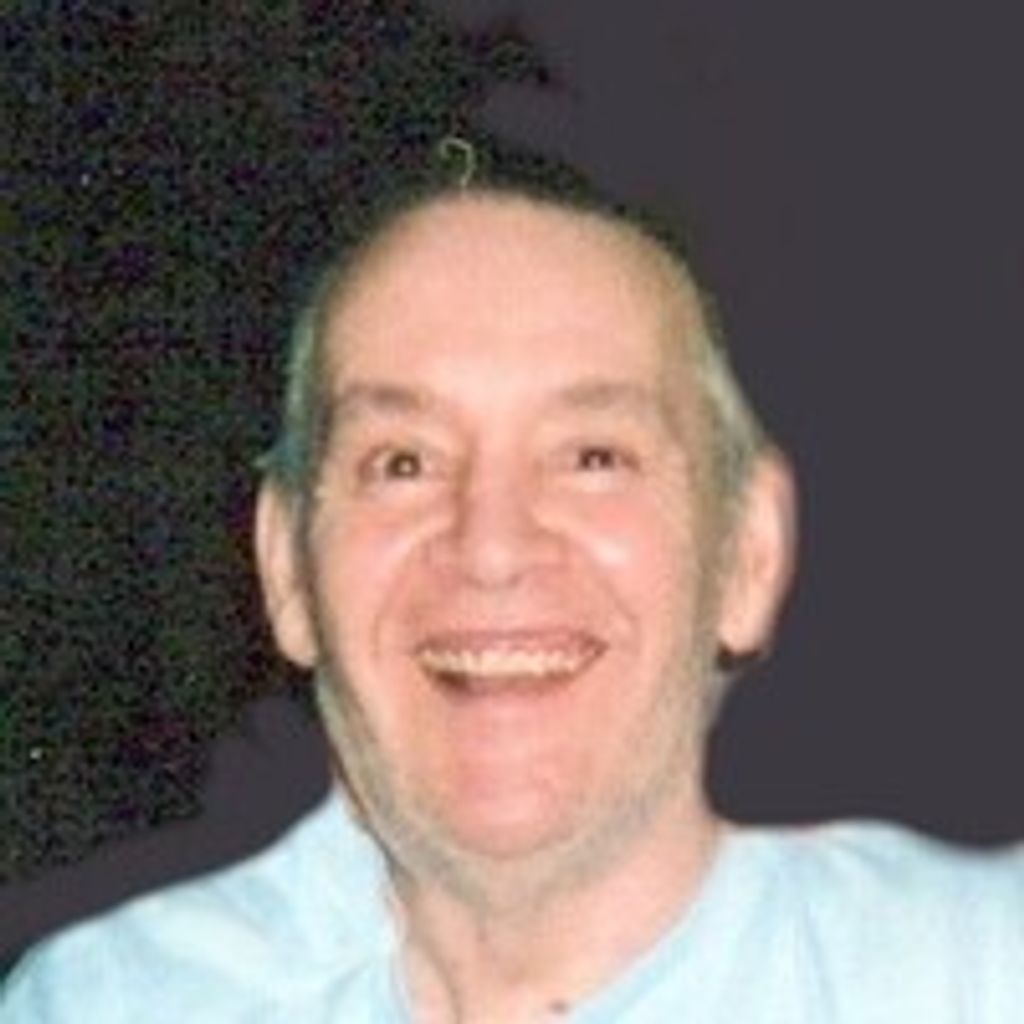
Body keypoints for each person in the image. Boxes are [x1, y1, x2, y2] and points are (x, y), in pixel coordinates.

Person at [3, 140, 1021, 1022]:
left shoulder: (973, 973)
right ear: (287, 569)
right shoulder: (103, 1003)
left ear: (747, 555)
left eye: (592, 457)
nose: (490, 548)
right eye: (402, 462)